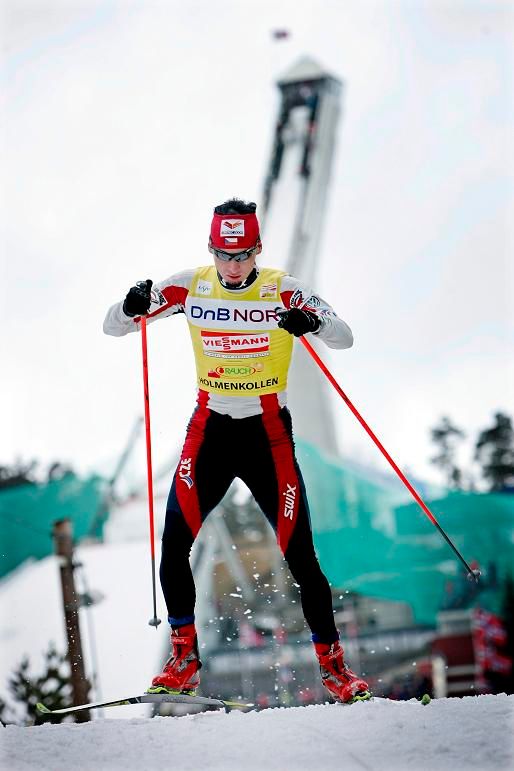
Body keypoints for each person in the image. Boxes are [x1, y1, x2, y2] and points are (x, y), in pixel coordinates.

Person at [103, 198, 370, 704]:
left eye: (243, 255)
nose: (232, 266)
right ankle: (183, 661)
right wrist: (130, 304)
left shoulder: (284, 289)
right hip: (210, 433)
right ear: (211, 250)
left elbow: (346, 338)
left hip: (268, 436)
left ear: (257, 250)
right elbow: (113, 325)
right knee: (173, 546)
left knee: (302, 560)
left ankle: (335, 672)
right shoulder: (189, 284)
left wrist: (310, 322)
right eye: (224, 255)